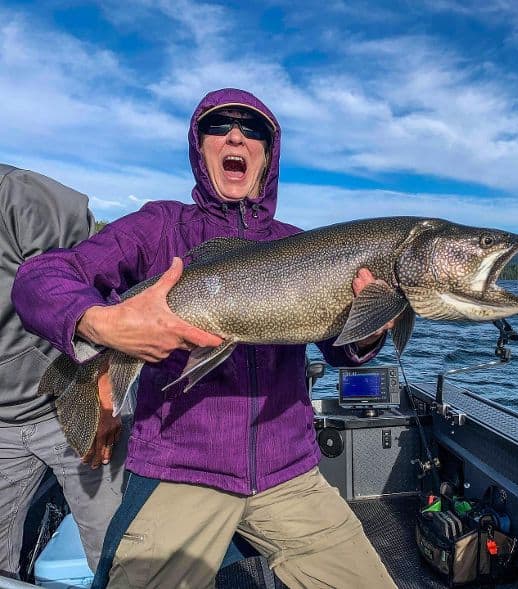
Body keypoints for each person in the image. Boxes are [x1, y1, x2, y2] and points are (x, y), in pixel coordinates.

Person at [12, 89, 398, 589]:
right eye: (221, 126)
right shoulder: (158, 227)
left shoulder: (303, 245)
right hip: (180, 468)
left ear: (268, 152)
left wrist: (372, 324)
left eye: (252, 129)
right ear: (201, 147)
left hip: (291, 472)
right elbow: (41, 277)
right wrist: (101, 325)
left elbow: (340, 351)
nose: (236, 135)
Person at [0, 165, 129, 579]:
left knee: (116, 558)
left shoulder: (22, 198)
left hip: (71, 405)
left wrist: (105, 397)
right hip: (2, 426)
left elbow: (102, 289)